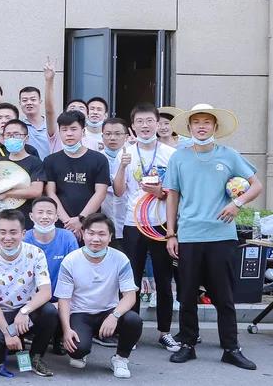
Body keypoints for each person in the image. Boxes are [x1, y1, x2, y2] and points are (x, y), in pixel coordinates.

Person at [164, 104, 263, 369]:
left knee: (224, 296)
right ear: (189, 127)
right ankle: (188, 344)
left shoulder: (229, 155)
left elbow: (256, 185)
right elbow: (172, 195)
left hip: (221, 235)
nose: (202, 126)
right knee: (187, 294)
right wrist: (171, 233)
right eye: (196, 122)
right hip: (189, 235)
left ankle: (231, 348)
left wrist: (237, 203)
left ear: (215, 127)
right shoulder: (179, 157)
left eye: (207, 122)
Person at [113, 103, 179, 351]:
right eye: (139, 121)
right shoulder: (125, 153)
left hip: (161, 224)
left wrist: (160, 192)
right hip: (133, 224)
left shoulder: (170, 154)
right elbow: (119, 191)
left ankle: (164, 332)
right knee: (132, 280)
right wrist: (122, 166)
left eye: (149, 121)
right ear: (133, 126)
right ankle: (132, 331)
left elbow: (177, 192)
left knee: (163, 279)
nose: (145, 126)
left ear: (157, 124)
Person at [57, 214, 142, 379]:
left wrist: (114, 316)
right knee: (77, 350)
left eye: (102, 234)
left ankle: (120, 359)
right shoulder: (71, 260)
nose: (96, 239)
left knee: (134, 320)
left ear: (110, 237)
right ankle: (82, 351)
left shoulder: (120, 259)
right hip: (80, 313)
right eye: (91, 233)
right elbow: (64, 299)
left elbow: (130, 296)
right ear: (83, 234)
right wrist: (66, 330)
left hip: (108, 312)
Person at [0, 209, 57, 377]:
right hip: (0, 312)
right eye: (2, 232)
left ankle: (35, 357)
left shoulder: (36, 253)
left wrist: (24, 311)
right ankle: (5, 349)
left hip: (27, 311)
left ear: (23, 233)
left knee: (50, 311)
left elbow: (46, 292)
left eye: (13, 232)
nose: (7, 237)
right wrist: (7, 333)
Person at [43, 111, 110, 238]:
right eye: (64, 129)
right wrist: (68, 222)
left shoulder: (99, 159)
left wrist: (81, 219)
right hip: (61, 224)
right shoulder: (50, 160)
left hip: (91, 224)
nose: (69, 133)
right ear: (59, 132)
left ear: (83, 131)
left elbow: (100, 193)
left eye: (73, 129)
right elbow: (50, 192)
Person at [0, 119, 45, 235]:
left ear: (26, 138)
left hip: (24, 221)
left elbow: (36, 191)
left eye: (16, 134)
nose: (12, 138)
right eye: (8, 135)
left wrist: (6, 194)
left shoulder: (35, 162)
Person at [24, 197, 79, 298]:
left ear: (56, 217)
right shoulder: (23, 239)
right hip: (31, 299)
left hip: (63, 298)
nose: (45, 216)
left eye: (49, 213)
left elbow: (76, 272)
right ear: (31, 216)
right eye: (40, 212)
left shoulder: (67, 237)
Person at [99, 118, 129, 240]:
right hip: (103, 216)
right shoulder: (95, 158)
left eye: (117, 134)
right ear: (102, 136)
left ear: (126, 137)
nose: (112, 138)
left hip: (129, 217)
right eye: (108, 134)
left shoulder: (134, 156)